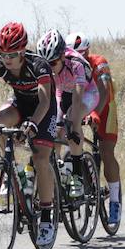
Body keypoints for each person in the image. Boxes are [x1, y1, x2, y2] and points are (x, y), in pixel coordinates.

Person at [0, 22, 58, 247]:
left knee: (40, 158)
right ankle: (10, 168)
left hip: (43, 110)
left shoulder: (39, 65)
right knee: (1, 120)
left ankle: (46, 216)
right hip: (20, 104)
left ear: (23, 50)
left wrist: (34, 124)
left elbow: (45, 100)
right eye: (3, 53)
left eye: (13, 54)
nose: (7, 59)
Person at [37, 29, 101, 201]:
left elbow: (78, 98)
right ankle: (58, 167)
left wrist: (73, 126)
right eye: (46, 64)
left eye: (54, 62)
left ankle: (78, 176)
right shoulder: (47, 67)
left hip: (87, 93)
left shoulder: (76, 63)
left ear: (62, 56)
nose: (50, 68)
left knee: (73, 116)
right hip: (63, 92)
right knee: (55, 124)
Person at [67, 32, 122, 225]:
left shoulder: (99, 62)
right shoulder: (68, 64)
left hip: (105, 106)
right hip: (82, 104)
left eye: (83, 54)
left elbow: (105, 91)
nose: (78, 59)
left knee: (106, 152)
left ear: (88, 51)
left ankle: (115, 200)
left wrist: (96, 114)